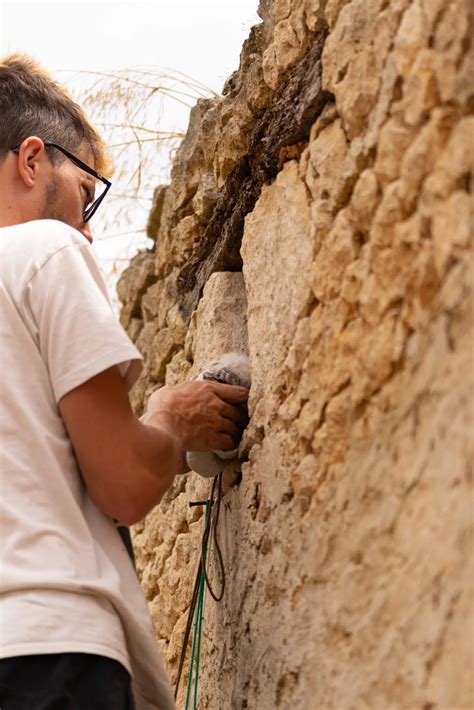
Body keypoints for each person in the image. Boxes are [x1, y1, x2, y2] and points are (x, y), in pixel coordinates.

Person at [0, 54, 248, 710]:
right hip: (43, 654)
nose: (86, 227)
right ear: (32, 160)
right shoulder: (42, 251)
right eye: (87, 193)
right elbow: (125, 483)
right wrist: (170, 417)